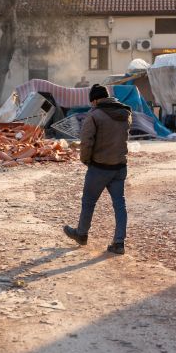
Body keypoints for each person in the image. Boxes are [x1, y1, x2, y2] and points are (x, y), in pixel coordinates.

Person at [64, 84, 132, 254]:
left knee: (88, 202)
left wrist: (86, 161)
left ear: (94, 100)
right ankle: (119, 243)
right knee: (119, 204)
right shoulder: (125, 114)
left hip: (99, 167)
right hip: (120, 167)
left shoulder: (94, 115)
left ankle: (81, 234)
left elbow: (86, 142)